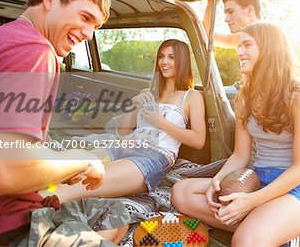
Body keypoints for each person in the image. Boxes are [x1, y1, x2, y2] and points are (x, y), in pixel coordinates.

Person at [0, 0, 126, 245]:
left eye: (96, 26)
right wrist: (82, 161)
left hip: (2, 208)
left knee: (117, 212)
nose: (89, 33)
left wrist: (60, 168)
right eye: (85, 17)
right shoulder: (33, 50)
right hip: (1, 226)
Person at [172, 22, 300, 246]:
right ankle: (265, 227)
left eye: (247, 45)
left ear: (270, 48)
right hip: (256, 180)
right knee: (181, 192)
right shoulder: (244, 97)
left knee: (244, 241)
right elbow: (241, 155)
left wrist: (252, 201)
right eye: (239, 46)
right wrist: (217, 180)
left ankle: (259, 227)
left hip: (297, 187)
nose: (239, 52)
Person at [50, 39, 206, 203]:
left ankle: (31, 214)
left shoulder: (192, 96)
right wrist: (133, 105)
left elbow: (198, 140)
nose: (164, 62)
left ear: (182, 61)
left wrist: (161, 122)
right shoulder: (149, 93)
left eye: (171, 57)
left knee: (77, 185)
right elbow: (123, 132)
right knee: (66, 169)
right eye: (161, 56)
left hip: (152, 157)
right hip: (123, 146)